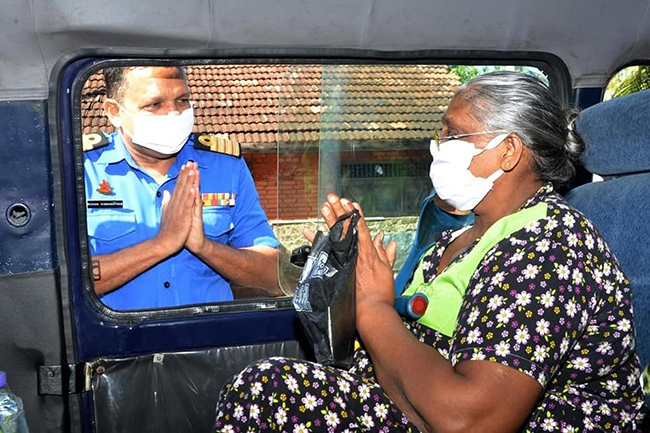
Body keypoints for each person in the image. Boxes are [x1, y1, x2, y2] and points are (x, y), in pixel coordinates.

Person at [213, 71, 649, 432]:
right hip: (422, 410)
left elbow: (472, 421)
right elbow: (401, 355)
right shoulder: (457, 238)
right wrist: (350, 280)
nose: (437, 150)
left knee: (267, 391)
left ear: (509, 151)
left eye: (454, 134)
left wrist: (373, 307)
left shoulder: (552, 247)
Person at [83, 66, 280, 310]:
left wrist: (205, 247)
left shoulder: (226, 166)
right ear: (114, 112)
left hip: (207, 341)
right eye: (154, 104)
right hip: (120, 342)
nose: (173, 113)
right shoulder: (82, 171)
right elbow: (64, 282)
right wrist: (162, 244)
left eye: (182, 100)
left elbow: (273, 275)